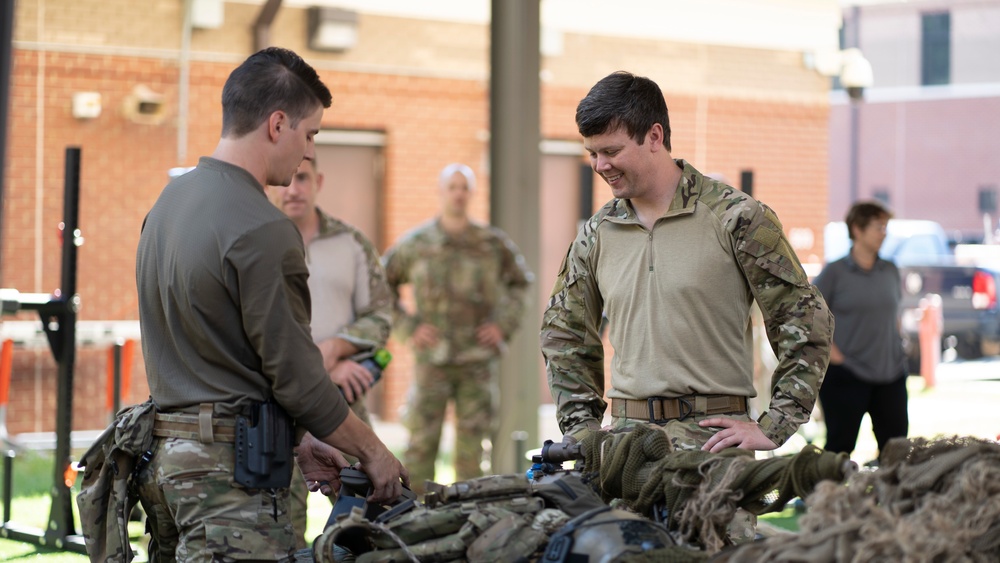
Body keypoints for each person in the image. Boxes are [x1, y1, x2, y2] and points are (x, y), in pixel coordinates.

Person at [134, 47, 407, 561]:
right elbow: (298, 377)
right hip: (233, 484)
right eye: (311, 135)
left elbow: (220, 355)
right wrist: (373, 451)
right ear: (278, 124)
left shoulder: (167, 205)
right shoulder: (263, 227)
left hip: (168, 468)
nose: (307, 153)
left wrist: (301, 442)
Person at [541, 70, 833, 457]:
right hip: (626, 450)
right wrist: (583, 430)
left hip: (713, 448)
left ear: (655, 137)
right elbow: (563, 331)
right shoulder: (597, 232)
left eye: (611, 151)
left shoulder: (736, 217)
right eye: (592, 154)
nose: (600, 165)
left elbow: (805, 319)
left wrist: (776, 423)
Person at [266, 158, 394, 547]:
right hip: (276, 403)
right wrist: (320, 367)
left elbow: (381, 316)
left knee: (363, 513)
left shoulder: (352, 243)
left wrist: (335, 348)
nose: (293, 189)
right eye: (287, 179)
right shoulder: (258, 241)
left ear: (318, 181)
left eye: (302, 178)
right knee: (281, 521)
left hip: (344, 401)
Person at [382, 163, 533, 493]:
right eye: (452, 187)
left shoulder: (491, 244)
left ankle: (467, 522)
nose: (459, 194)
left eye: (464, 187)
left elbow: (521, 284)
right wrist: (408, 327)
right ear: (441, 192)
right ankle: (413, 522)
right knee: (420, 449)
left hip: (476, 362)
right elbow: (381, 285)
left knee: (472, 452)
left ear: (472, 193)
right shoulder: (417, 244)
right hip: (431, 362)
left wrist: (502, 326)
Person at [814, 200, 908, 462]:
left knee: (897, 449)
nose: (884, 233)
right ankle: (824, 498)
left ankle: (892, 501)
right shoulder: (835, 272)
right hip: (847, 374)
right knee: (839, 447)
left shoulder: (889, 270)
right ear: (857, 229)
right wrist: (835, 356)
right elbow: (811, 316)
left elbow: (894, 314)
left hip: (891, 374)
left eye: (886, 227)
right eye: (879, 227)